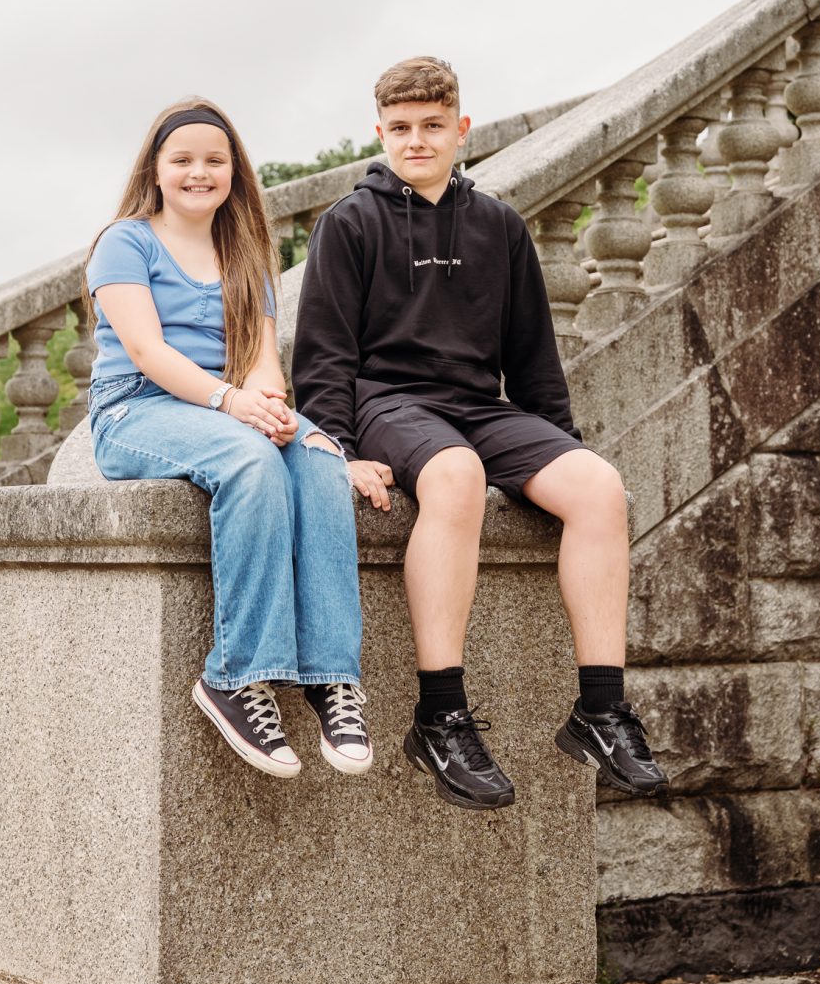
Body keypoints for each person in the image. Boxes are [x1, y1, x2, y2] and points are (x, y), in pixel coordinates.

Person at [292, 56, 667, 811]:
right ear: (379, 132)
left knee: (598, 486)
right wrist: (336, 449)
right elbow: (323, 353)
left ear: (461, 130)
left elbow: (532, 355)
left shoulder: (499, 226)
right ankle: (440, 713)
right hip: (387, 404)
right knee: (456, 473)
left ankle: (599, 708)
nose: (417, 141)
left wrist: (556, 447)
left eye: (433, 126)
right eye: (400, 128)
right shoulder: (349, 223)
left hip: (479, 405)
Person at [84, 97, 371, 780]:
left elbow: (262, 356)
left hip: (225, 404)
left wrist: (270, 405)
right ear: (156, 169)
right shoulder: (126, 241)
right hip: (137, 411)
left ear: (234, 172)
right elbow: (149, 353)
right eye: (182, 159)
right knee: (250, 460)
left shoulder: (243, 251)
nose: (198, 172)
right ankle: (235, 675)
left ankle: (332, 675)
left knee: (319, 456)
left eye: (215, 160)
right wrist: (233, 404)